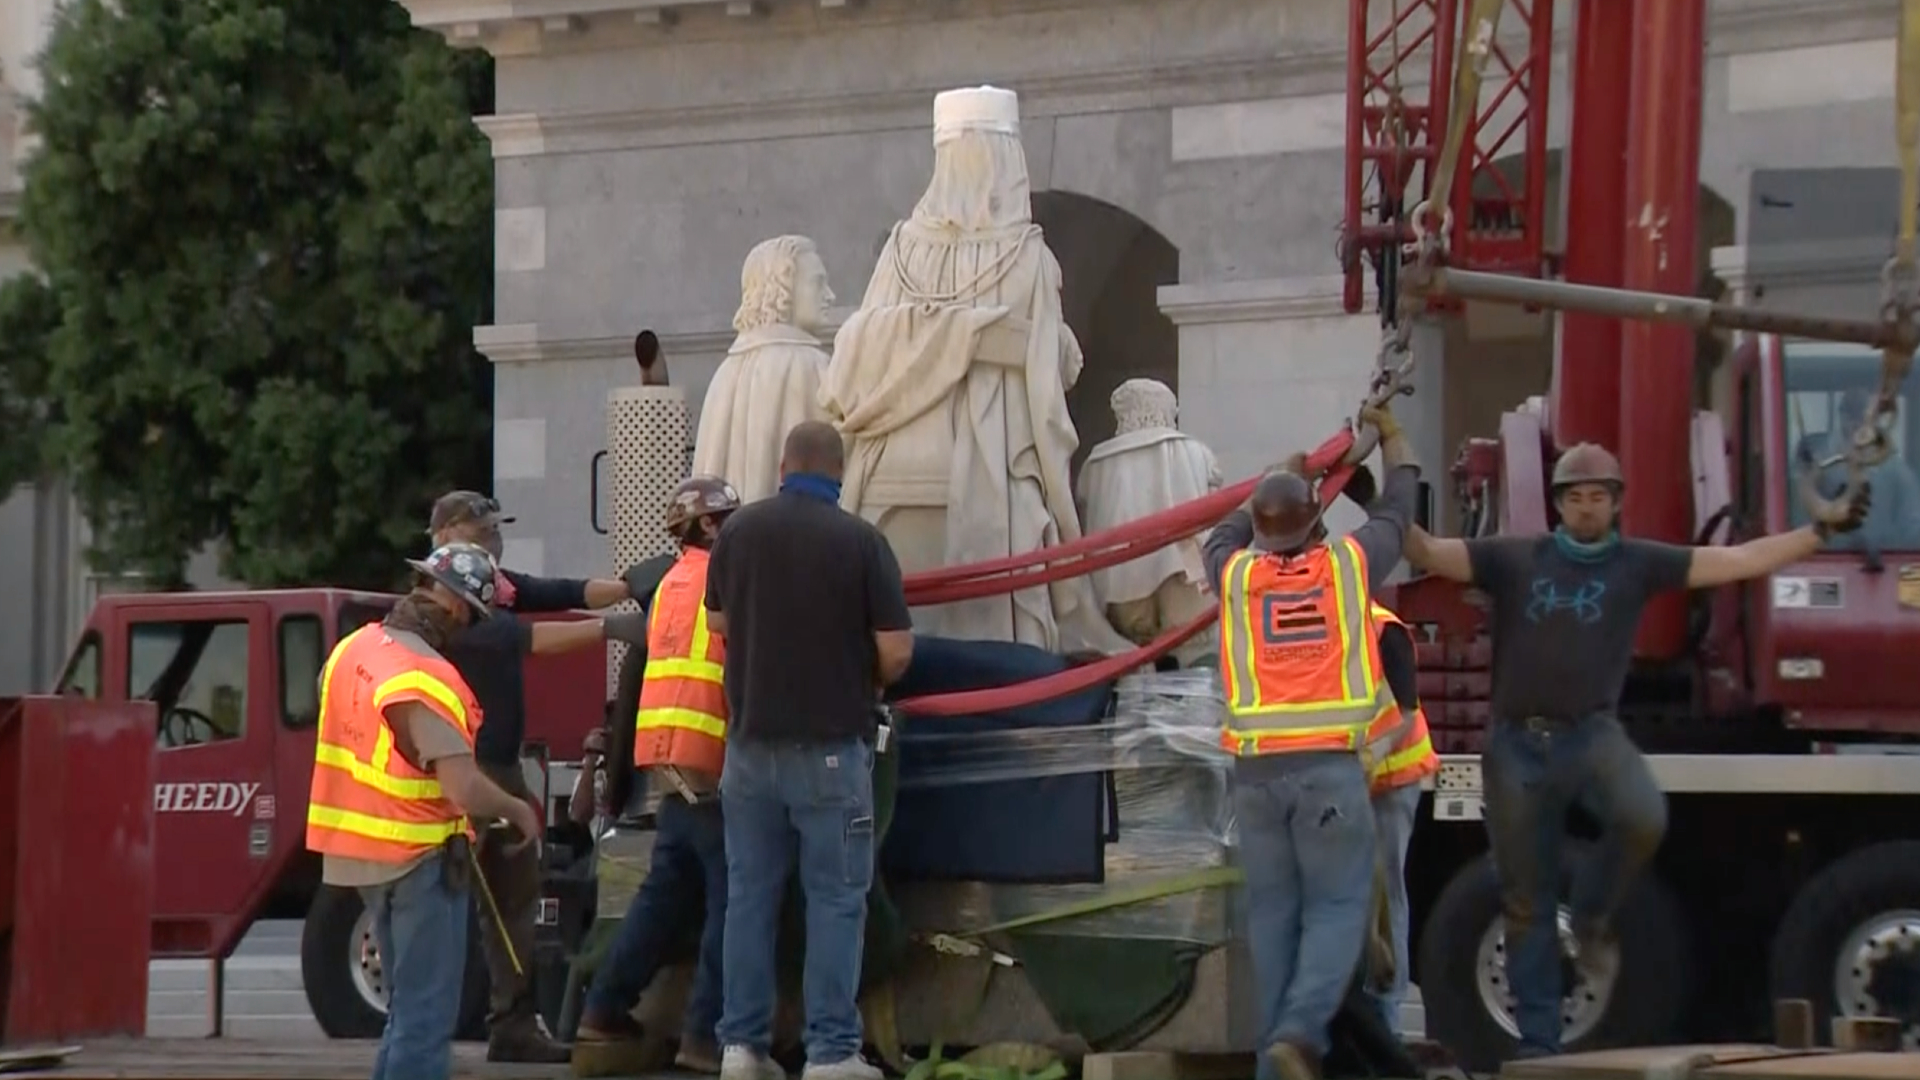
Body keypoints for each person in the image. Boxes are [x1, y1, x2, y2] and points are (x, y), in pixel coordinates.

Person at [1402, 441, 1870, 1060]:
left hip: (1592, 733)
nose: (1587, 508)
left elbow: (1738, 559)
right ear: (1558, 505)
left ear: (1616, 504)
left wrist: (1818, 533)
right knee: (1525, 901)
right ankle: (1541, 1053)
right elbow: (1426, 552)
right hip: (1516, 743)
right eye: (1575, 498)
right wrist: (1392, 465)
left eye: (1598, 497)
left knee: (1642, 814)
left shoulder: (1637, 564)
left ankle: (1592, 918)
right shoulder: (1515, 559)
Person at [1201, 403, 1419, 1080]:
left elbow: (1219, 537)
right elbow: (1398, 516)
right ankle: (1299, 1034)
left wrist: (1278, 473)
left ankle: (1278, 1067)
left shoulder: (1236, 576)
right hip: (1327, 773)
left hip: (1257, 777)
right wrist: (1394, 442)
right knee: (1337, 911)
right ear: (1316, 526)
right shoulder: (1349, 569)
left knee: (1272, 924)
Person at [705, 421, 916, 1080]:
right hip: (830, 751)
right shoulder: (862, 542)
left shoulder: (737, 533)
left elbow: (716, 624)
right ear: (839, 471)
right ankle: (830, 1052)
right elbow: (896, 650)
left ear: (783, 464)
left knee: (750, 897)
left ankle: (741, 1046)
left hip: (747, 750)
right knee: (834, 899)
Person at [427, 489, 652, 1063]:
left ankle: (513, 1023)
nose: (491, 542)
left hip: (495, 766)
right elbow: (523, 639)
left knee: (514, 897)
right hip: (464, 771)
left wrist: (630, 585)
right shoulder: (445, 607)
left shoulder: (491, 587)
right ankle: (450, 1027)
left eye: (494, 531)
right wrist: (612, 631)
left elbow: (561, 593)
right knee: (463, 901)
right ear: (444, 536)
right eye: (479, 533)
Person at [305, 542, 544, 1080]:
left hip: (359, 853)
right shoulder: (426, 676)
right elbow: (461, 786)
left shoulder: (354, 649)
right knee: (425, 1020)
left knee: (404, 1016)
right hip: (416, 859)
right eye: (475, 616)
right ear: (460, 607)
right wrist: (517, 809)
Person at [574, 477, 743, 1076]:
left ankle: (603, 1008)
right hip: (709, 757)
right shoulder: (724, 582)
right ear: (711, 527)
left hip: (664, 757)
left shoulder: (670, 583)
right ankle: (705, 1036)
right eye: (731, 518)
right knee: (734, 901)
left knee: (663, 894)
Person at [1358, 600, 1438, 1032]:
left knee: (1386, 896)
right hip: (1355, 779)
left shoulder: (1381, 628)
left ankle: (1386, 1021)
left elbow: (1404, 712)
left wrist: (1369, 757)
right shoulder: (1329, 625)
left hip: (1391, 778)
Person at [1809, 386, 1920, 551]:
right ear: (1841, 417)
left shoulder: (1897, 473)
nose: (1855, 424)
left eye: (1861, 417)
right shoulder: (1818, 470)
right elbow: (1802, 525)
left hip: (1889, 561)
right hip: (1826, 559)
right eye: (1849, 416)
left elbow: (1913, 526)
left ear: (1872, 420)